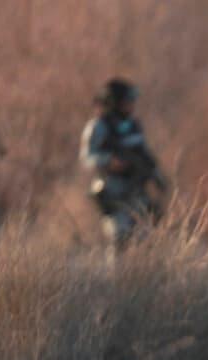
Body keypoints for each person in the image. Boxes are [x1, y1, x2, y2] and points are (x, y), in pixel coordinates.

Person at [79, 78, 167, 260]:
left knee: (146, 235)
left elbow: (144, 154)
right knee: (119, 238)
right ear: (115, 102)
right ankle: (116, 282)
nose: (131, 105)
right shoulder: (98, 126)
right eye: (127, 101)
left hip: (136, 190)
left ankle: (142, 278)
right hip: (112, 190)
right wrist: (110, 161)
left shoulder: (133, 126)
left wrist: (157, 175)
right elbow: (87, 158)